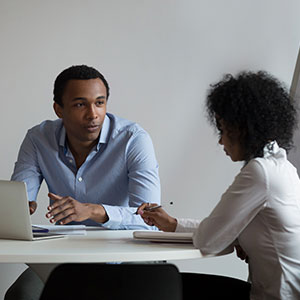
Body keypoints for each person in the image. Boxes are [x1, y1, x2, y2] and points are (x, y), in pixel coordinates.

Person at [138, 71, 300, 300]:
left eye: (223, 130)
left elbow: (209, 241)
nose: (220, 140)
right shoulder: (281, 166)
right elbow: (224, 232)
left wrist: (235, 237)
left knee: (161, 284)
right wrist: (173, 224)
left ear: (244, 128)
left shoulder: (260, 173)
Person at [5, 65, 160, 300]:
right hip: (66, 255)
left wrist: (94, 211)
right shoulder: (38, 139)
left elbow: (150, 219)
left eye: (99, 102)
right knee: (22, 295)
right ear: (59, 109)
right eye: (80, 104)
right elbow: (18, 198)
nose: (93, 114)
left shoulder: (133, 140)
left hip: (127, 253)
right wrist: (20, 208)